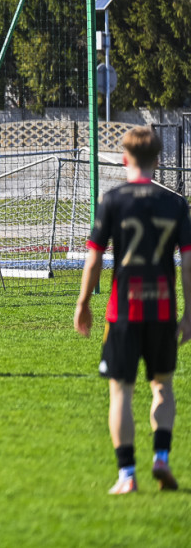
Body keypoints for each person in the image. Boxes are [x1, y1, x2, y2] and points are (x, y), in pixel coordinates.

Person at [74, 126, 191, 494]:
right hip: (162, 311)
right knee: (163, 387)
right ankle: (161, 457)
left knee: (121, 391)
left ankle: (127, 475)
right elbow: (188, 264)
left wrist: (83, 302)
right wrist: (190, 314)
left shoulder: (112, 199)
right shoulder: (176, 204)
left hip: (122, 312)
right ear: (158, 160)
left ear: (125, 159)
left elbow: (93, 260)